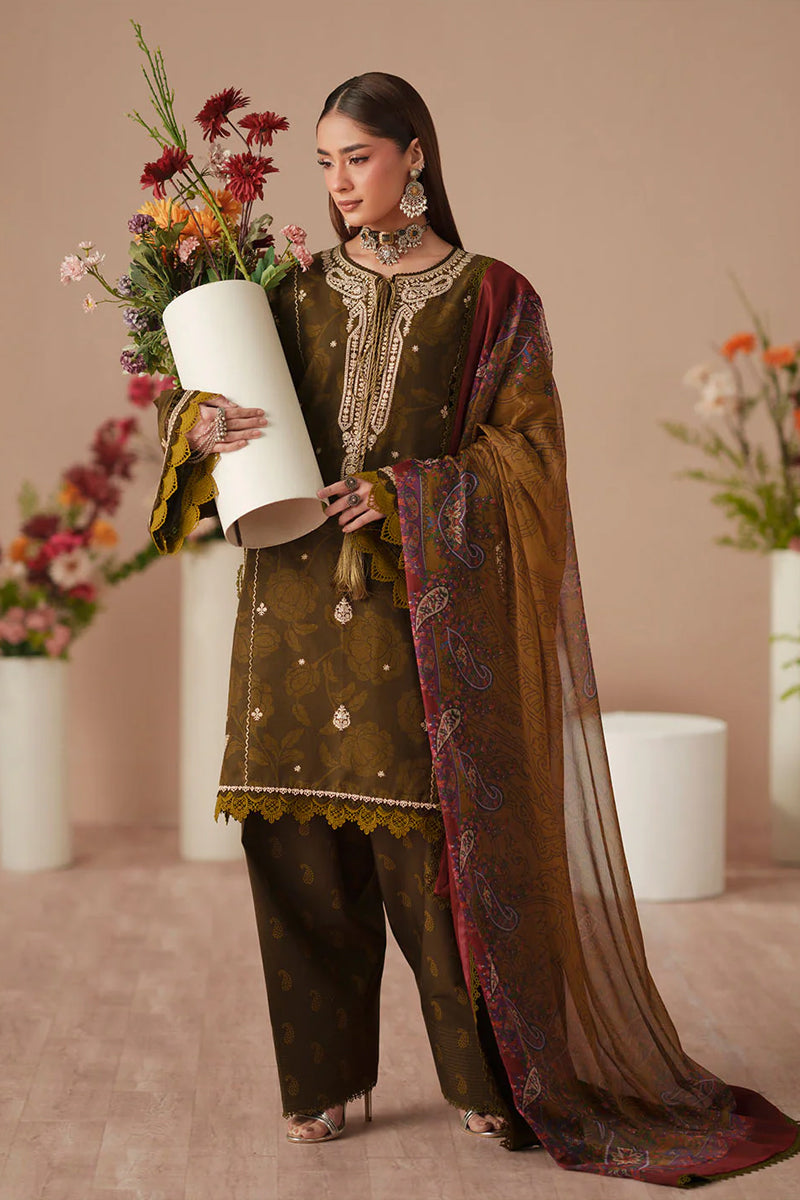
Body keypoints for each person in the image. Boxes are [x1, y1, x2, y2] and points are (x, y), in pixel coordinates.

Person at [149, 73, 798, 1185]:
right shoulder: (287, 294)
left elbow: (531, 460)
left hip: (416, 621)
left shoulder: (495, 299)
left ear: (413, 155)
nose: (338, 182)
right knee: (296, 857)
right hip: (291, 613)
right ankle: (321, 1082)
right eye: (323, 162)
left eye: (357, 157)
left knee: (435, 864)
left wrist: (405, 494)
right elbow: (236, 424)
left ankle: (485, 1083)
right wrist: (199, 423)